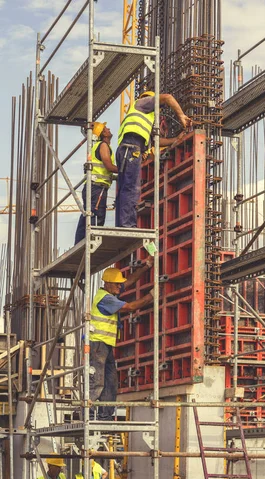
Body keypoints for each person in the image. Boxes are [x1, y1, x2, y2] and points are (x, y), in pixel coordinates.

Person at [116, 91, 192, 228]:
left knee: (125, 188)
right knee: (131, 188)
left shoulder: (145, 119)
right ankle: (127, 225)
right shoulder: (142, 103)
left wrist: (176, 139)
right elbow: (168, 97)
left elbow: (155, 141)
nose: (160, 110)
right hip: (132, 147)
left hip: (129, 148)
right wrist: (181, 116)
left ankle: (123, 224)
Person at [89, 263, 154, 420]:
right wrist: (152, 296)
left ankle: (105, 416)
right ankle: (89, 415)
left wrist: (146, 266)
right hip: (98, 344)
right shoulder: (105, 299)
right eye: (117, 284)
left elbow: (129, 282)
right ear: (108, 283)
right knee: (97, 381)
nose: (120, 286)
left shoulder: (110, 293)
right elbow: (130, 307)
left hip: (105, 345)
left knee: (110, 381)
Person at [75, 122, 118, 244]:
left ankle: (79, 244)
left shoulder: (98, 146)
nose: (108, 128)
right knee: (96, 218)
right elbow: (109, 166)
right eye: (105, 128)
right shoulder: (103, 145)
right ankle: (90, 245)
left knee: (87, 216)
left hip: (93, 187)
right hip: (97, 188)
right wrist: (125, 170)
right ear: (103, 134)